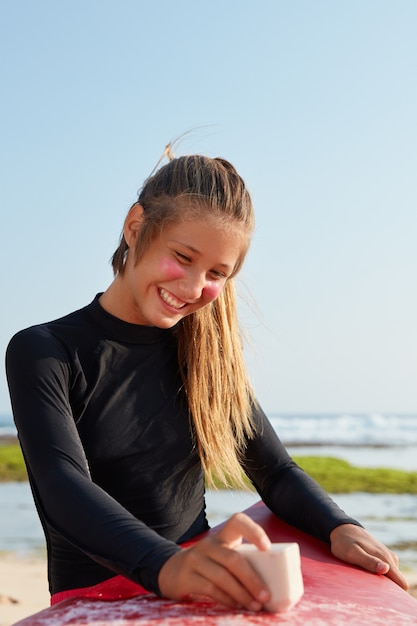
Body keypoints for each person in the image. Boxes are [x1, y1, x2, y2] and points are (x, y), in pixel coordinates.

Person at [6, 151, 408, 613]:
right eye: (183, 257)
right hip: (97, 597)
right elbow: (61, 482)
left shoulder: (205, 358)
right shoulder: (45, 350)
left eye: (217, 274)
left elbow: (275, 473)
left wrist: (340, 527)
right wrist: (165, 566)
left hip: (201, 585)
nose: (196, 288)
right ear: (136, 227)